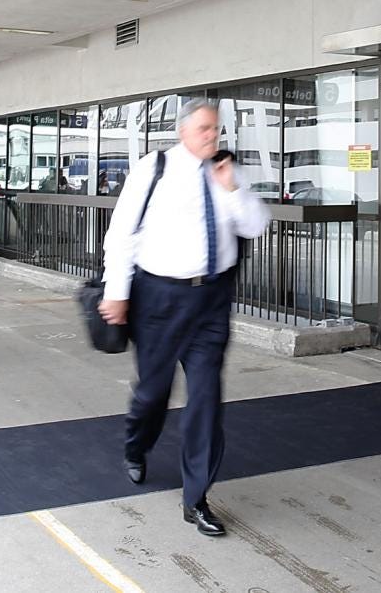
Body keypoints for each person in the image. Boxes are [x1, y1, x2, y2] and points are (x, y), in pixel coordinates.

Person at [99, 101, 270, 537]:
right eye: (204, 128)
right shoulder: (153, 168)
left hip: (211, 299)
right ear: (183, 131)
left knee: (207, 400)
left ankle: (196, 498)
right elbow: (122, 231)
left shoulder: (228, 171)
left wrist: (231, 188)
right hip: (159, 298)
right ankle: (136, 446)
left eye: (216, 128)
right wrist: (117, 292)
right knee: (153, 393)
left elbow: (255, 226)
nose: (212, 135)